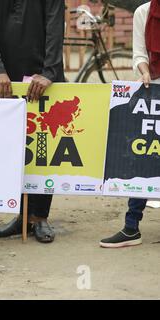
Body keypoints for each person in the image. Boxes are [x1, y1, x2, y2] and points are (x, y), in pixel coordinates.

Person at [0, 0, 66, 243]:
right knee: (10, 148)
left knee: (42, 147)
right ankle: (22, 215)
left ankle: (39, 217)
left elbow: (55, 27)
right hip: (3, 79)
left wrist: (49, 72)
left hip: (45, 78)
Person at [100, 0, 160, 248]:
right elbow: (138, 55)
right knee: (144, 156)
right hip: (153, 92)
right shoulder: (144, 13)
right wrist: (144, 70)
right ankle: (131, 227)